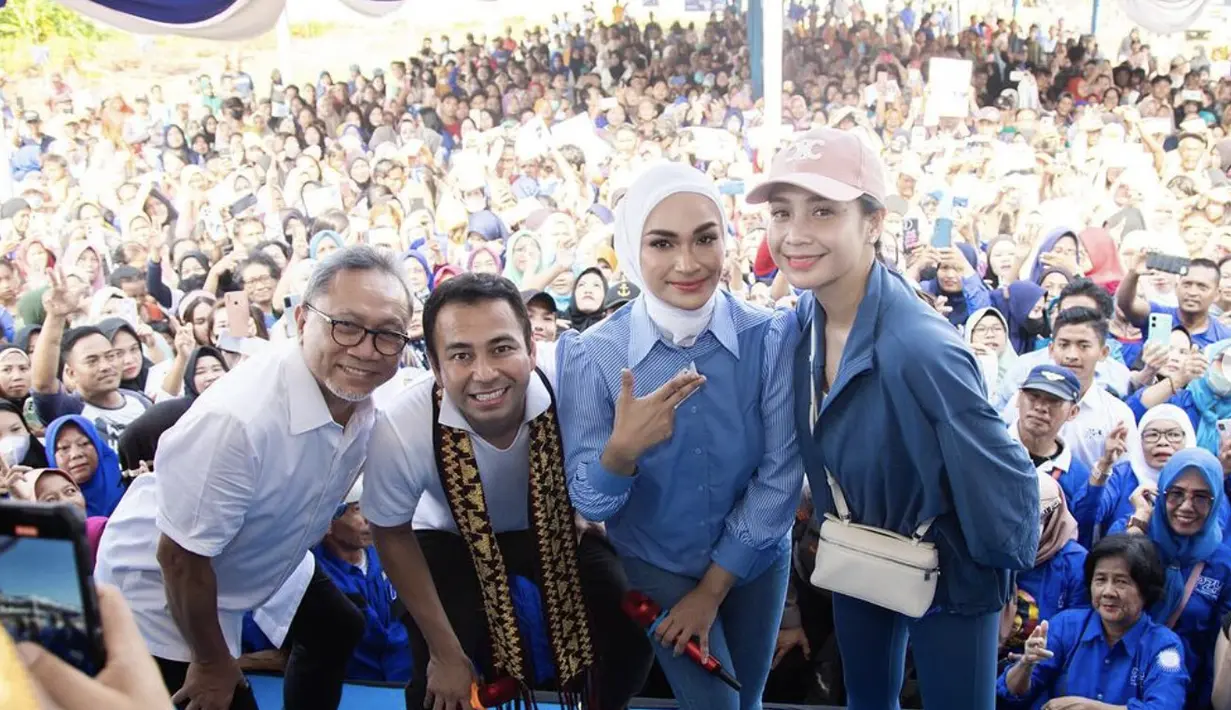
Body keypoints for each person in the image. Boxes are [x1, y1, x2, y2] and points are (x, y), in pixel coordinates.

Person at [756, 127, 1040, 708]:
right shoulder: (802, 321)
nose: (796, 234)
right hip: (861, 552)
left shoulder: (922, 345)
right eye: (782, 213)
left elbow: (1003, 472)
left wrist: (998, 580)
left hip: (952, 573)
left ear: (874, 222)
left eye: (822, 211)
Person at [96, 246, 413, 710]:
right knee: (221, 696)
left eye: (387, 334)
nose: (366, 350)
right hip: (166, 582)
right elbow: (179, 558)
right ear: (303, 320)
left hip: (260, 546)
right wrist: (210, 662)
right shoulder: (239, 420)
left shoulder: (364, 400)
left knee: (337, 624)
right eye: (345, 326)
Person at [557, 161, 803, 710]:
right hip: (657, 564)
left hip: (756, 559)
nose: (687, 264)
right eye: (662, 243)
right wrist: (620, 453)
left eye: (705, 239)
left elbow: (781, 477)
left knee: (750, 700)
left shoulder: (769, 335)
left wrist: (713, 589)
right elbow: (588, 497)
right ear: (631, 249)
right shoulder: (594, 354)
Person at [362, 273, 653, 710]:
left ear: (532, 349)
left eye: (502, 348)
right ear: (436, 369)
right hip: (448, 537)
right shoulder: (402, 426)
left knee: (627, 616)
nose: (484, 374)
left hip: (553, 525)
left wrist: (587, 504)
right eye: (461, 355)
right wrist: (444, 652)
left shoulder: (571, 381)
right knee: (440, 666)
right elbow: (389, 531)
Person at [996, 534, 1188, 708]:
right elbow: (1010, 692)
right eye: (1100, 580)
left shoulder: (1163, 646)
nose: (1108, 592)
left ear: (1146, 589)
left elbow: (1166, 706)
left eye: (1121, 581)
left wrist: (1090, 708)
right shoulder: (1066, 626)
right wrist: (1026, 665)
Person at [1121, 447, 1231, 707]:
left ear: (1215, 502)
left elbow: (1215, 649)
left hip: (1184, 690)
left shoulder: (1223, 563)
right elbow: (1112, 589)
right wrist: (1139, 521)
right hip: (1118, 678)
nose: (1186, 506)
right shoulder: (1135, 534)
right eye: (1176, 494)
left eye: (1201, 497)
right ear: (1161, 493)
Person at [30, 272, 151, 451]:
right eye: (92, 361)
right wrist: (56, 317)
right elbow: (43, 384)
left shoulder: (141, 403)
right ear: (71, 372)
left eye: (110, 356)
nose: (105, 366)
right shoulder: (69, 409)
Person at [311, 477, 411, 683]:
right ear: (328, 523)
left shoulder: (390, 556)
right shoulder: (315, 576)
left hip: (404, 679)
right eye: (357, 509)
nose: (368, 518)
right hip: (354, 686)